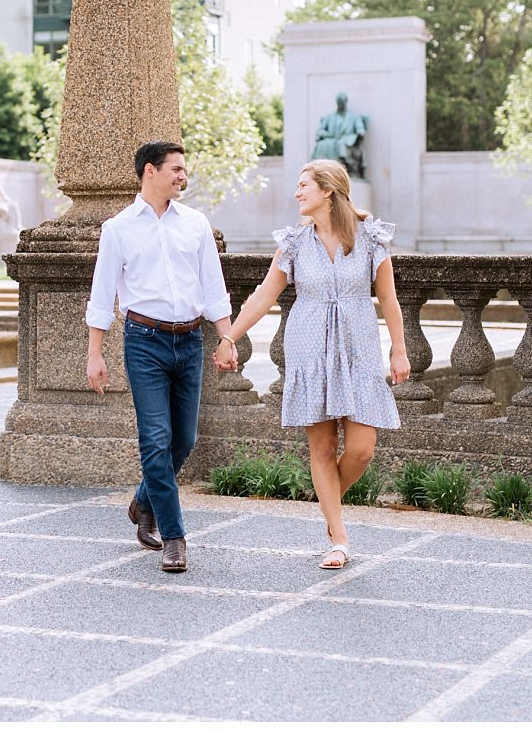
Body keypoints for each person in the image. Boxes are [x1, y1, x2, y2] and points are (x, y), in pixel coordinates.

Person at [213, 159, 408, 569]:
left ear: (328, 191)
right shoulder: (294, 243)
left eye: (304, 186)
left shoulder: (371, 238)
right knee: (320, 448)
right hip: (309, 350)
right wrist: (230, 335)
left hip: (358, 349)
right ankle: (338, 536)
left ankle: (328, 501)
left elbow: (389, 299)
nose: (297, 193)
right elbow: (265, 296)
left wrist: (399, 349)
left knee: (361, 448)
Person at [86, 141, 234, 573]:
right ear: (150, 171)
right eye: (176, 169)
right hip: (143, 342)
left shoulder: (196, 224)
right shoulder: (118, 229)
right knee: (155, 440)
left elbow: (213, 286)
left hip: (190, 342)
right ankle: (174, 537)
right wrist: (95, 353)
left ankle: (141, 500)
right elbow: (102, 296)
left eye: (184, 170)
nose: (182, 176)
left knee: (182, 441)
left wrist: (226, 337)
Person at [311, 91, 369, 179]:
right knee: (322, 145)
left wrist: (357, 135)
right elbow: (320, 131)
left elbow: (360, 130)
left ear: (345, 102)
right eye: (339, 102)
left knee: (342, 144)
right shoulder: (329, 117)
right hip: (332, 140)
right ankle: (322, 172)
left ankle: (342, 171)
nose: (340, 104)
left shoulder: (354, 117)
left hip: (346, 140)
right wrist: (328, 134)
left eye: (342, 102)